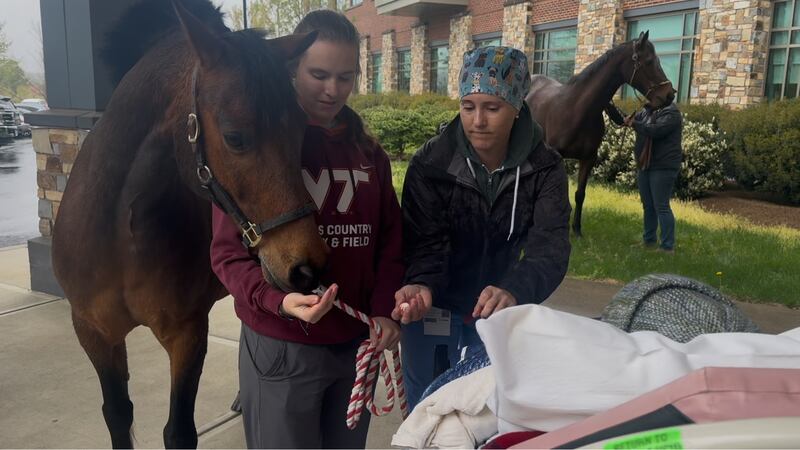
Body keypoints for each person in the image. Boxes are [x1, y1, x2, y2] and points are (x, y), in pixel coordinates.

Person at [210, 10, 403, 449]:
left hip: (355, 344)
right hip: (282, 346)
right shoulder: (258, 146)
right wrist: (276, 301)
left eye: (345, 76)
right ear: (292, 69)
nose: (332, 89)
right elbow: (227, 254)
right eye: (319, 74)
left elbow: (390, 239)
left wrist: (383, 310)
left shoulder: (369, 153)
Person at [391, 46, 572, 410]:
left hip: (496, 311)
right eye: (468, 106)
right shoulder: (432, 163)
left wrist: (514, 289)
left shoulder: (545, 168)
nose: (478, 121)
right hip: (434, 309)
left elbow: (548, 248)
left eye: (492, 108)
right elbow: (424, 241)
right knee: (428, 410)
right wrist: (421, 283)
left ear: (518, 106)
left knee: (487, 412)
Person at [624, 99, 682, 253]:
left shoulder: (671, 113)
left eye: (651, 95)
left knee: (661, 206)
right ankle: (649, 241)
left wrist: (634, 124)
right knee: (648, 205)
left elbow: (654, 131)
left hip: (663, 166)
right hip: (646, 165)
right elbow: (636, 123)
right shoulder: (646, 112)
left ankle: (667, 246)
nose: (646, 98)